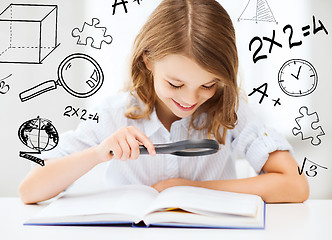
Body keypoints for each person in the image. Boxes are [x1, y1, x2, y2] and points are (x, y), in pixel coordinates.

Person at [19, 0, 309, 204]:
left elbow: (296, 184)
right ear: (148, 60)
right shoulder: (112, 114)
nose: (189, 98)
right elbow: (30, 190)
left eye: (208, 85)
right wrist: (98, 153)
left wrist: (194, 190)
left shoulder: (230, 111)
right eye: (175, 84)